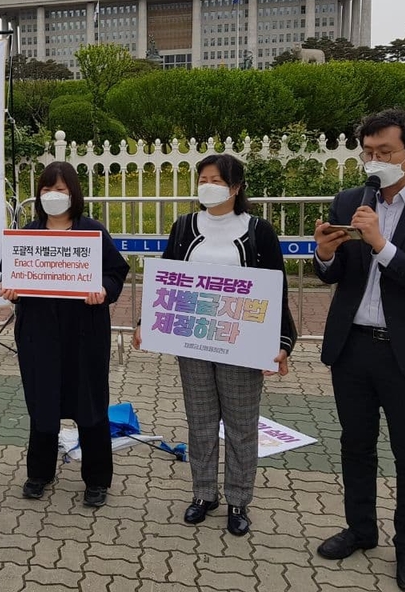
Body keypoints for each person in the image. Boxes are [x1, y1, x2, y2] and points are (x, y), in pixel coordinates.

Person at [313, 109, 405, 592]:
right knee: (356, 445)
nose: (374, 160)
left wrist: (381, 242)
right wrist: (327, 254)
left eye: (386, 152)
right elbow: (334, 277)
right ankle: (360, 529)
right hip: (353, 346)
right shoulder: (350, 200)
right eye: (369, 152)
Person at [133, 154, 296, 535]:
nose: (207, 185)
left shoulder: (258, 230)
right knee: (201, 423)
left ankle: (239, 500)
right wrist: (146, 322)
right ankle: (203, 493)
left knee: (241, 426)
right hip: (193, 343)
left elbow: (277, 290)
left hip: (242, 345)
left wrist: (282, 342)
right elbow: (168, 279)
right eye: (202, 178)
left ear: (236, 187)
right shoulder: (185, 226)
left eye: (216, 180)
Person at [0, 161, 130, 508]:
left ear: (73, 193)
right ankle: (39, 473)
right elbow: (9, 271)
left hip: (84, 333)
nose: (52, 196)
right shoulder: (27, 234)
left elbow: (116, 272)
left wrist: (103, 288)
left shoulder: (92, 232)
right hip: (39, 333)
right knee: (43, 403)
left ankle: (97, 479)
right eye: (46, 189)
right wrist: (9, 287)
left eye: (60, 189)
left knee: (90, 404)